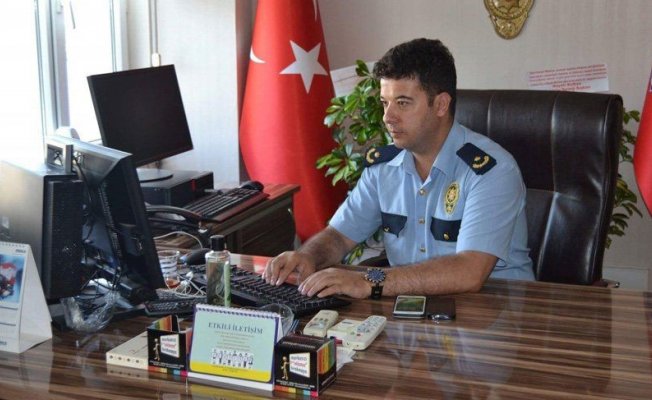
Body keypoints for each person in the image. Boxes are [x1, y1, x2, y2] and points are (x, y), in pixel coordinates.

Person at [263, 38, 534, 299]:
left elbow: (469, 271)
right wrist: (308, 256)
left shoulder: (490, 171)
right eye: (385, 102)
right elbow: (339, 236)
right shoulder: (383, 167)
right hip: (410, 306)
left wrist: (369, 281)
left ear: (441, 104)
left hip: (497, 312)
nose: (387, 117)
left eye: (403, 103)